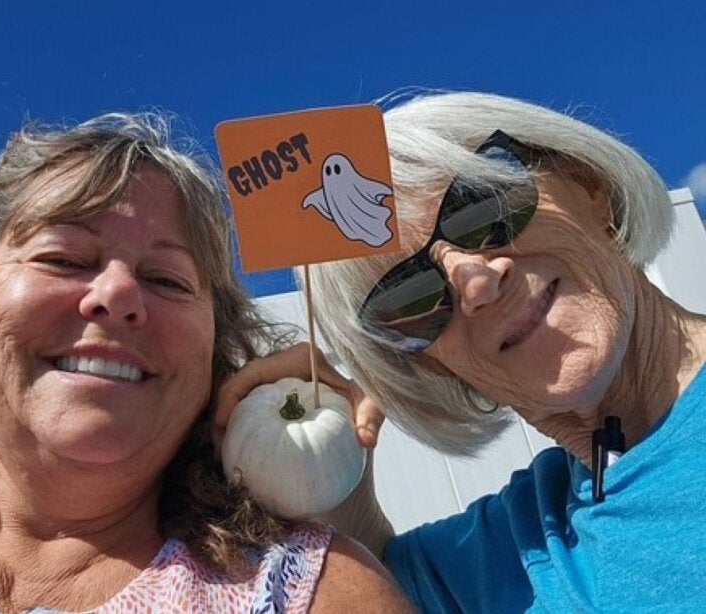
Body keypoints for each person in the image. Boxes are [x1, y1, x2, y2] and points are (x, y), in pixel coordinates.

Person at [215, 90, 706, 612]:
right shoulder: (512, 549)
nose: (475, 284)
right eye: (411, 296)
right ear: (430, 363)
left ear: (590, 188)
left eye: (485, 208)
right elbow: (367, 586)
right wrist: (321, 465)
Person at [0, 112, 413, 613]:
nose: (119, 294)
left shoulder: (321, 594)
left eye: (168, 280)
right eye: (64, 259)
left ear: (214, 357)